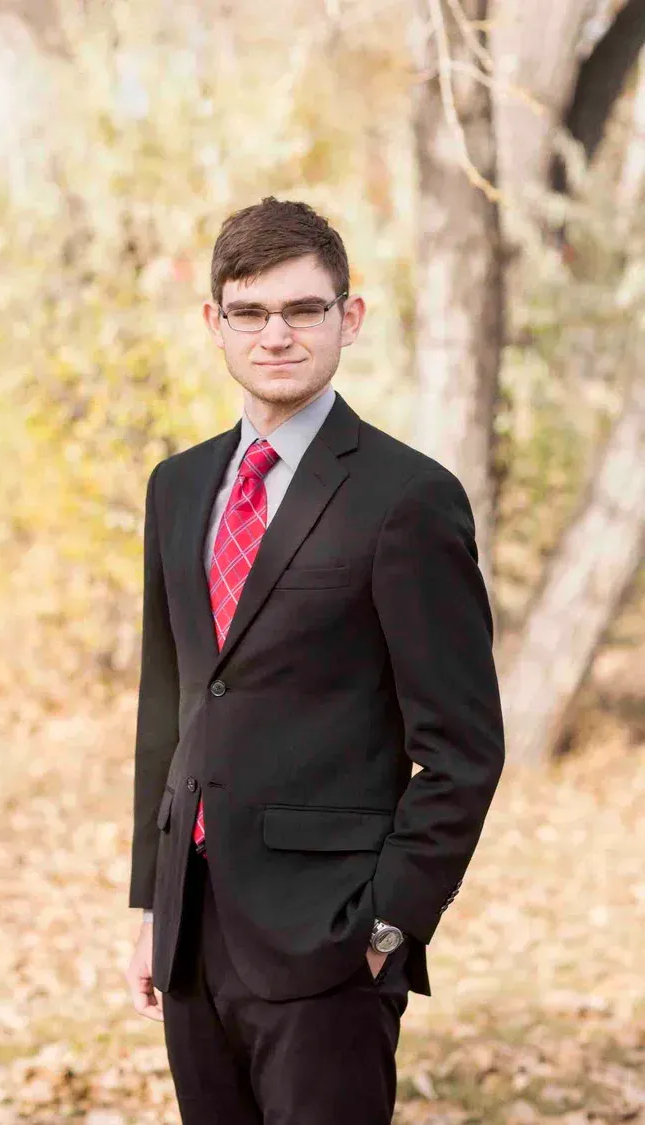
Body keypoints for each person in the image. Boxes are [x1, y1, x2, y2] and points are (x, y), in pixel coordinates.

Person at [125, 196, 505, 1125]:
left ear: (350, 317)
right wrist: (147, 904)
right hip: (191, 929)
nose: (276, 335)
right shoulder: (177, 488)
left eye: (304, 309)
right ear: (215, 322)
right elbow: (168, 708)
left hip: (330, 940)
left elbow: (463, 748)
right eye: (250, 312)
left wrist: (388, 925)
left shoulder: (407, 497)